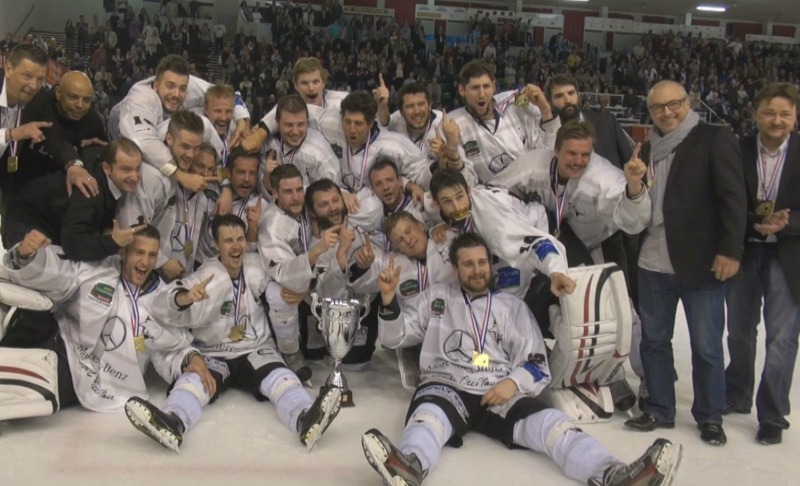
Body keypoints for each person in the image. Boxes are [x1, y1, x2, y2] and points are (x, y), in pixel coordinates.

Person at [362, 232, 683, 486]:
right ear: (456, 269)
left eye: (481, 263)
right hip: (445, 385)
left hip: (497, 388)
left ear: (490, 265)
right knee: (427, 420)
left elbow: (536, 361)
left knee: (552, 425)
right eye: (468, 264)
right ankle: (410, 467)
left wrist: (512, 382)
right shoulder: (436, 298)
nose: (476, 270)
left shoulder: (510, 307)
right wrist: (389, 302)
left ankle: (614, 475)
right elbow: (393, 338)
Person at [131, 214, 342, 452]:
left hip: (254, 348)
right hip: (214, 352)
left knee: (282, 380)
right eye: (228, 240)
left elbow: (288, 273)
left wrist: (305, 281)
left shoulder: (255, 266)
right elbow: (164, 302)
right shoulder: (206, 275)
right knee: (192, 382)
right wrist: (186, 298)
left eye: (240, 239)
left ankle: (306, 418)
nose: (236, 246)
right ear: (216, 245)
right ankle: (173, 421)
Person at [624, 81, 747, 446]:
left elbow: (733, 197)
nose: (667, 112)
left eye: (673, 104)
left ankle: (709, 416)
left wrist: (731, 250)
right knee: (655, 340)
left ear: (688, 103)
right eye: (658, 108)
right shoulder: (646, 149)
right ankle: (660, 408)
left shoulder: (713, 137)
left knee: (707, 345)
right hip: (653, 261)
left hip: (700, 261)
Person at [0, 226, 212, 428]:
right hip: (66, 347)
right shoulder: (96, 270)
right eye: (139, 252)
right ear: (123, 252)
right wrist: (27, 254)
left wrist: (193, 358)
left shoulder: (161, 299)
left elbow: (173, 346)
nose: (145, 261)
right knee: (23, 311)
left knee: (38, 385)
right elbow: (57, 274)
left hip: (91, 381)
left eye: (152, 255)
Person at [724, 82, 800, 445]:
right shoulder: (736, 149)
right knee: (739, 330)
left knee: (783, 336)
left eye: (785, 114)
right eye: (770, 112)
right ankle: (736, 394)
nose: (777, 120)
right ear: (755, 114)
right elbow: (725, 197)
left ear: (795, 118)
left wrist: (790, 222)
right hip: (746, 248)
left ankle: (772, 415)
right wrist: (751, 218)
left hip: (789, 254)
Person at [108, 55, 246, 193]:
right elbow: (143, 141)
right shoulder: (141, 98)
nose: (176, 94)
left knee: (209, 123)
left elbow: (226, 95)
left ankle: (222, 178)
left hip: (164, 139)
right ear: (156, 85)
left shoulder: (187, 84)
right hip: (127, 147)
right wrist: (182, 176)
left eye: (182, 88)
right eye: (170, 86)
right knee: (202, 123)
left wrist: (242, 121)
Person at [2, 71, 109, 248]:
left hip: (56, 208)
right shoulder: (39, 104)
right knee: (21, 258)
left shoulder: (92, 122)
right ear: (58, 93)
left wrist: (102, 150)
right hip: (21, 199)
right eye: (73, 97)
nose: (80, 105)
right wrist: (74, 163)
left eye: (87, 100)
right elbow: (55, 139)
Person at [0, 45, 86, 209]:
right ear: (9, 69)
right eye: (27, 76)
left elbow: (54, 136)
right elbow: (14, 134)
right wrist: (11, 134)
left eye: (40, 79)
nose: (34, 85)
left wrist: (74, 164)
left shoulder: (38, 97)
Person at [447, 60, 559, 183]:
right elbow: (467, 183)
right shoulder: (454, 124)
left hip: (532, 186)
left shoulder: (515, 105)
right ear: (462, 90)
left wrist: (545, 110)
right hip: (492, 197)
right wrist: (452, 151)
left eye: (486, 86)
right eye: (475, 87)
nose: (482, 94)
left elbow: (548, 154)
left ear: (494, 86)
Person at [241, 57, 349, 157]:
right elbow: (277, 114)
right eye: (304, 83)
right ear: (296, 86)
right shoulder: (291, 107)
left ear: (324, 82)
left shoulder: (341, 100)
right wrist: (258, 134)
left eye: (316, 82)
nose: (311, 88)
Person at [60, 139, 148, 261]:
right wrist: (112, 242)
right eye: (126, 169)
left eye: (138, 168)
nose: (135, 177)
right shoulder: (89, 191)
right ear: (107, 168)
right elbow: (72, 244)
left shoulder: (104, 168)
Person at [263, 94, 342, 194]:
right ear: (277, 123)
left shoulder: (320, 153)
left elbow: (331, 195)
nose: (295, 132)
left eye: (301, 124)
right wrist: (267, 178)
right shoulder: (268, 144)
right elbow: (264, 194)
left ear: (307, 122)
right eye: (289, 125)